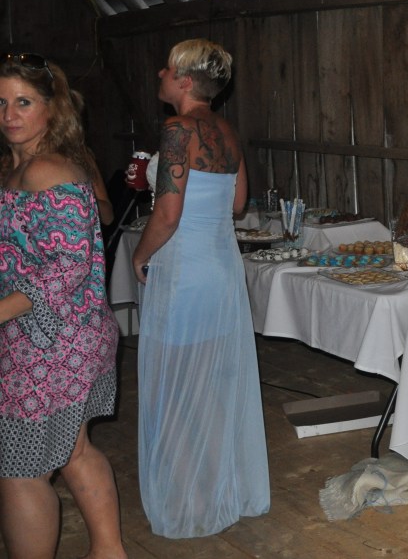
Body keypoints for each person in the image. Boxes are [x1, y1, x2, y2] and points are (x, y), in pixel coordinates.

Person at [131, 39, 270, 537]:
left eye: (167, 70)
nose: (160, 75)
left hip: (184, 270)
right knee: (210, 381)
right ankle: (218, 486)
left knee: (175, 380)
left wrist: (140, 255)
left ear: (186, 81)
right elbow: (238, 204)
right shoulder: (227, 131)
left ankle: (189, 500)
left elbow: (167, 215)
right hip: (221, 268)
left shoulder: (177, 129)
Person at [0, 52, 126, 558]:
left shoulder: (47, 168)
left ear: (52, 109)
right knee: (73, 449)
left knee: (20, 469)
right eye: (1, 102)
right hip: (58, 335)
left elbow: (68, 266)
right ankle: (110, 552)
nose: (9, 114)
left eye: (23, 102)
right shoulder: (19, 167)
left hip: (55, 341)